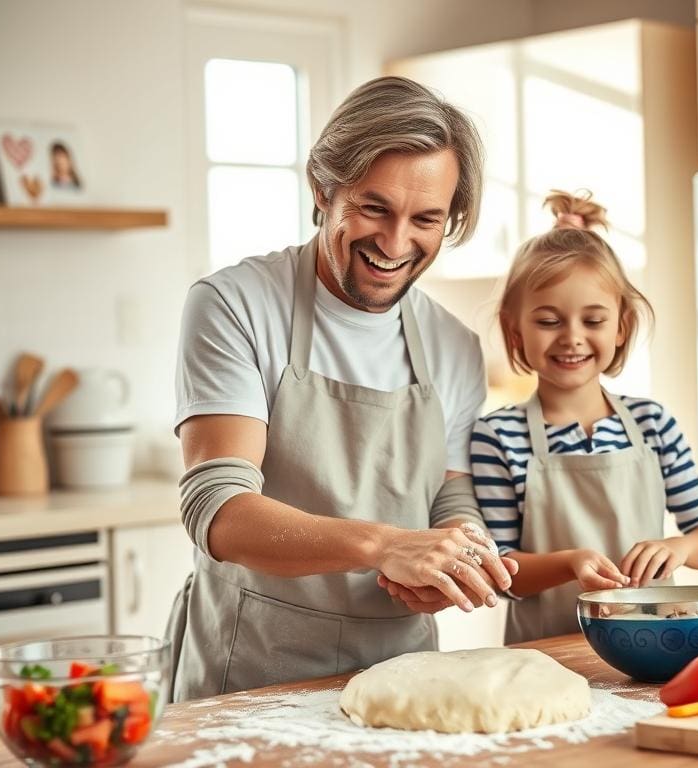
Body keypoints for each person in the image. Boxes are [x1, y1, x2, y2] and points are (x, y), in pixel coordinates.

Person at [167, 76, 516, 701]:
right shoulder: (236, 305)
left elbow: (448, 497)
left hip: (401, 678)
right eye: (374, 207)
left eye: (426, 219)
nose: (395, 242)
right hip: (252, 674)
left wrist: (463, 554)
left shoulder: (454, 346)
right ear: (323, 189)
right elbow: (218, 509)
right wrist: (384, 544)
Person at [470, 190, 698, 644]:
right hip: (545, 657)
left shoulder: (653, 425)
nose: (572, 339)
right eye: (549, 321)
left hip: (654, 650)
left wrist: (680, 547)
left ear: (620, 328)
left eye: (593, 321)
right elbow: (502, 571)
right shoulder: (497, 436)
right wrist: (569, 562)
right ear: (516, 330)